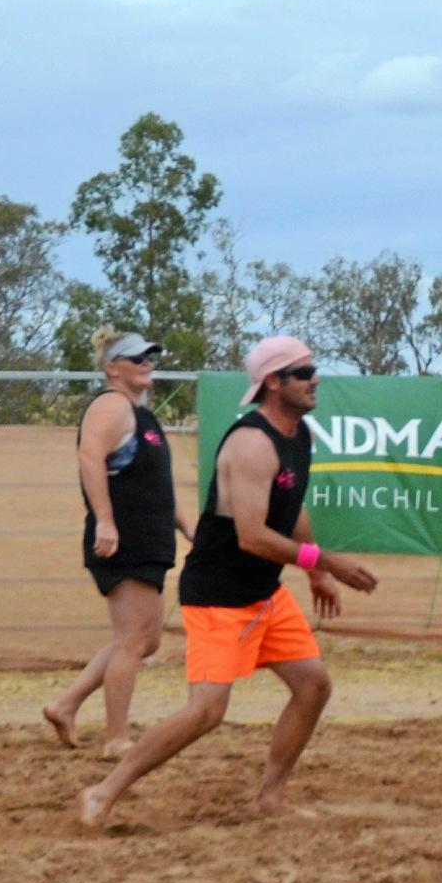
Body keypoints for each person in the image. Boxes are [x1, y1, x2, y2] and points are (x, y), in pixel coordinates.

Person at [77, 337, 378, 827]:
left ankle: (269, 798)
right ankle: (102, 793)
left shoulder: (299, 435)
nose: (315, 378)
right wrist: (325, 559)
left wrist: (317, 573)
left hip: (262, 593)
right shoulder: (250, 443)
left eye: (314, 368)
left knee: (313, 685)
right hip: (218, 595)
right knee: (206, 712)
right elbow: (253, 536)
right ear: (273, 383)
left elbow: (292, 507)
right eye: (303, 372)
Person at [44, 331, 192, 758]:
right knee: (131, 639)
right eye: (136, 357)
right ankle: (116, 739)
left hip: (148, 538)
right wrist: (105, 521)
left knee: (146, 640)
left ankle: (65, 704)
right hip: (122, 539)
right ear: (113, 368)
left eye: (151, 355)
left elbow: (154, 486)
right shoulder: (110, 405)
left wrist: (186, 525)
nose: (148, 361)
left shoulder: (140, 414)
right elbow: (90, 458)